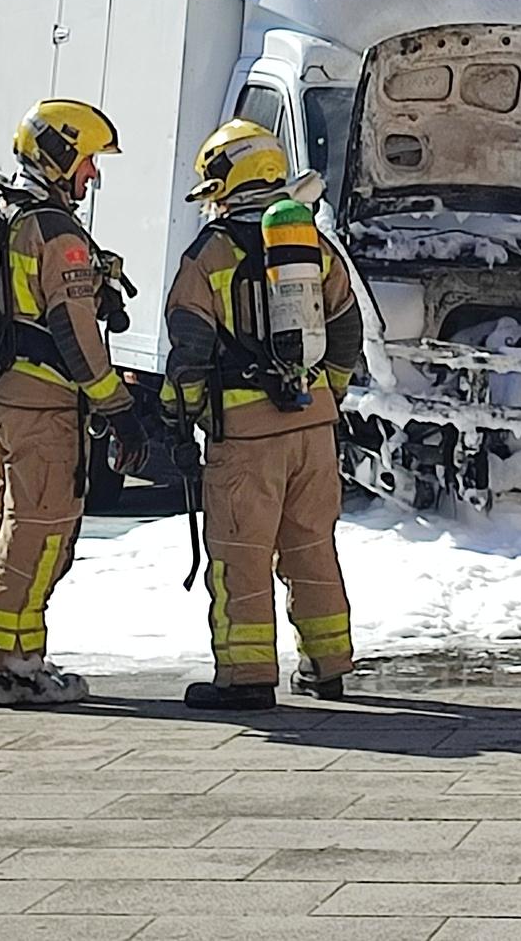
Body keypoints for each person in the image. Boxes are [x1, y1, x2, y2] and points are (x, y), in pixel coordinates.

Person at [154, 119, 362, 712]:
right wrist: (330, 395)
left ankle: (245, 677)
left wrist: (180, 413)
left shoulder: (210, 254)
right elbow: (347, 328)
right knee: (312, 546)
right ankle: (328, 667)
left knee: (240, 554)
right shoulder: (312, 246)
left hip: (246, 437)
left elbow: (188, 350)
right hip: (314, 429)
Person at [0, 98, 151, 708]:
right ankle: (6, 666)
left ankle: (20, 659)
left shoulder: (9, 214)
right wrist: (118, 406)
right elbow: (72, 331)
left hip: (7, 399)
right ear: (60, 156)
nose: (93, 176)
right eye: (89, 162)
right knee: (40, 535)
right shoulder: (54, 228)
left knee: (22, 529)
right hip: (42, 407)